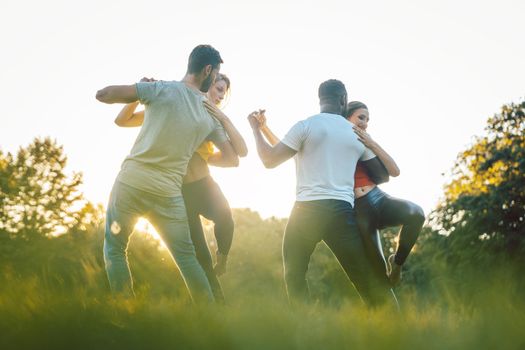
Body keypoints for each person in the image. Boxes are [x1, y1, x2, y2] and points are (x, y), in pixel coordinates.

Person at [95, 44, 236, 303]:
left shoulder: (160, 90)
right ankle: (210, 317)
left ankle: (126, 312)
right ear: (207, 70)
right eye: (216, 76)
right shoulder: (209, 115)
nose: (216, 80)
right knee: (187, 258)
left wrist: (141, 90)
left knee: (114, 249)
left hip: (131, 183)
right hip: (168, 194)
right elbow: (232, 157)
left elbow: (104, 94)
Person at [247, 79, 396, 307]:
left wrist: (257, 130)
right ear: (343, 100)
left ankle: (305, 328)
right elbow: (382, 176)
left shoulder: (305, 126)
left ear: (320, 100)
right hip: (341, 213)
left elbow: (269, 159)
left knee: (294, 275)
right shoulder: (356, 133)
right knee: (363, 279)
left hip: (305, 211)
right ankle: (388, 327)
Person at [346, 101, 425, 285]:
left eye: (367, 119)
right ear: (346, 117)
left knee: (416, 213)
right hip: (359, 210)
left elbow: (395, 171)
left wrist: (372, 144)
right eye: (361, 117)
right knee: (378, 272)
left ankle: (397, 264)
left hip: (378, 198)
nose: (364, 123)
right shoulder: (335, 140)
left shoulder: (365, 140)